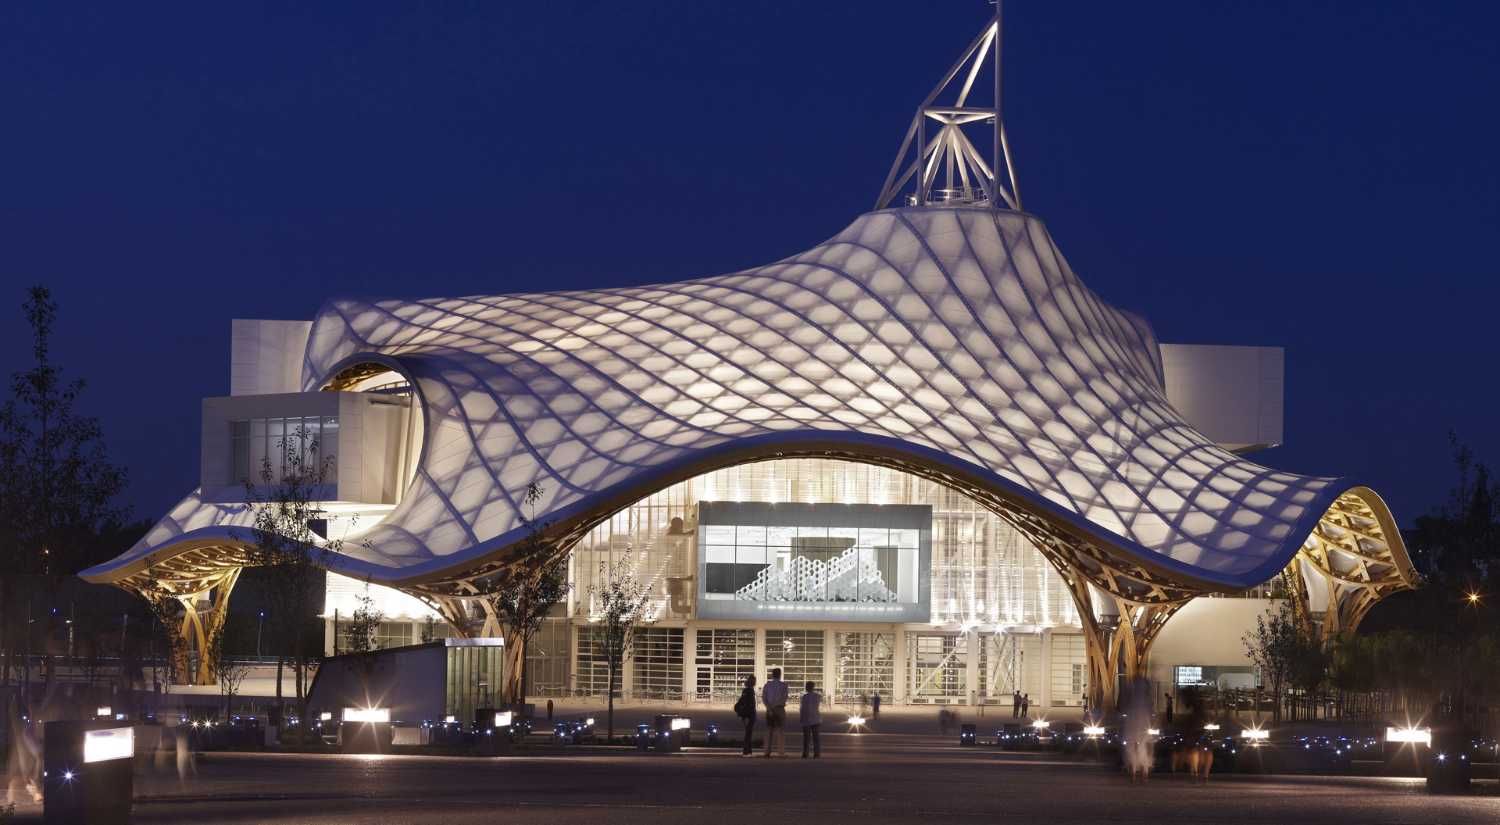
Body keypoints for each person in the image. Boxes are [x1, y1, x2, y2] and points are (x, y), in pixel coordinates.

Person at [761, 668, 788, 757]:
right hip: (779, 709)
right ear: (780, 674)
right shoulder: (784, 685)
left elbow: (764, 698)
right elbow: (784, 698)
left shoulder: (767, 685)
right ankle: (781, 752)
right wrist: (776, 706)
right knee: (780, 731)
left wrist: (769, 708)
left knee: (769, 730)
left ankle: (767, 751)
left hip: (769, 710)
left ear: (772, 674)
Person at [734, 674, 758, 757]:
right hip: (750, 714)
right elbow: (750, 704)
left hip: (745, 714)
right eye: (754, 681)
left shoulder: (746, 690)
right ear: (753, 682)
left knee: (748, 732)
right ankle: (746, 751)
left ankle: (749, 751)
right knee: (748, 733)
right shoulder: (750, 691)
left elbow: (741, 701)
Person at [799, 681, 822, 758]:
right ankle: (817, 753)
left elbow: (803, 709)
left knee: (806, 738)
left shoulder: (804, 697)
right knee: (816, 738)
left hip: (807, 719)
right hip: (816, 719)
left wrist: (801, 718)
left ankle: (805, 753)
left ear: (807, 687)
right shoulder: (817, 696)